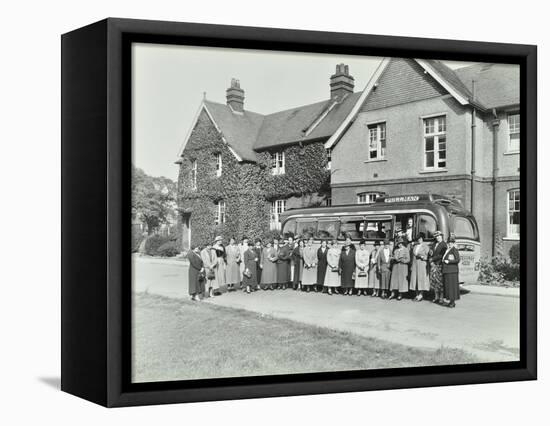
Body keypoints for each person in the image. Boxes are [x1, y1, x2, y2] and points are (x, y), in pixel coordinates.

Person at [409, 233, 430, 301]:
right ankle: (417, 294)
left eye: (420, 239)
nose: (419, 240)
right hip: (415, 264)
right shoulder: (415, 246)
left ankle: (421, 295)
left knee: (421, 279)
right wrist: (412, 265)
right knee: (415, 279)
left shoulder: (425, 246)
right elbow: (413, 256)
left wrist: (422, 257)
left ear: (422, 239)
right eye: (418, 239)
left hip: (422, 264)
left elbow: (427, 256)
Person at [442, 236, 461, 308]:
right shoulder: (447, 250)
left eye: (451, 242)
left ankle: (452, 302)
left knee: (452, 287)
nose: (450, 244)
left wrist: (449, 261)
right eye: (449, 242)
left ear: (453, 243)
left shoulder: (454, 250)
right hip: (447, 271)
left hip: (452, 271)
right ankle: (450, 301)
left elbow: (458, 260)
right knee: (449, 287)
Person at [429, 230, 447, 304]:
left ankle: (441, 298)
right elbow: (430, 253)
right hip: (433, 265)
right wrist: (431, 261)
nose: (437, 238)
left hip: (439, 264)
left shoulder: (444, 244)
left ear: (441, 236)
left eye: (439, 236)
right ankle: (436, 297)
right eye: (436, 237)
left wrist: (433, 259)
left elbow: (442, 255)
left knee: (440, 282)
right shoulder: (434, 244)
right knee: (434, 281)